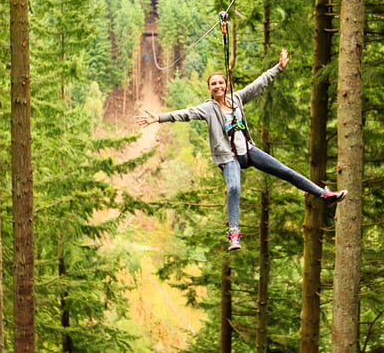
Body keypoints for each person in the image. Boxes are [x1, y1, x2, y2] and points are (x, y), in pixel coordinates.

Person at [135, 48, 346, 251]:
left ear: (226, 85)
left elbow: (258, 85)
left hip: (248, 150)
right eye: (213, 84)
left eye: (220, 83)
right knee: (234, 188)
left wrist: (278, 68)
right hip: (228, 158)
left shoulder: (236, 99)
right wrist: (158, 118)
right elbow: (185, 113)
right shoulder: (208, 108)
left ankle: (324, 194)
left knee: (286, 171)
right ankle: (234, 232)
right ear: (209, 88)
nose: (217, 86)